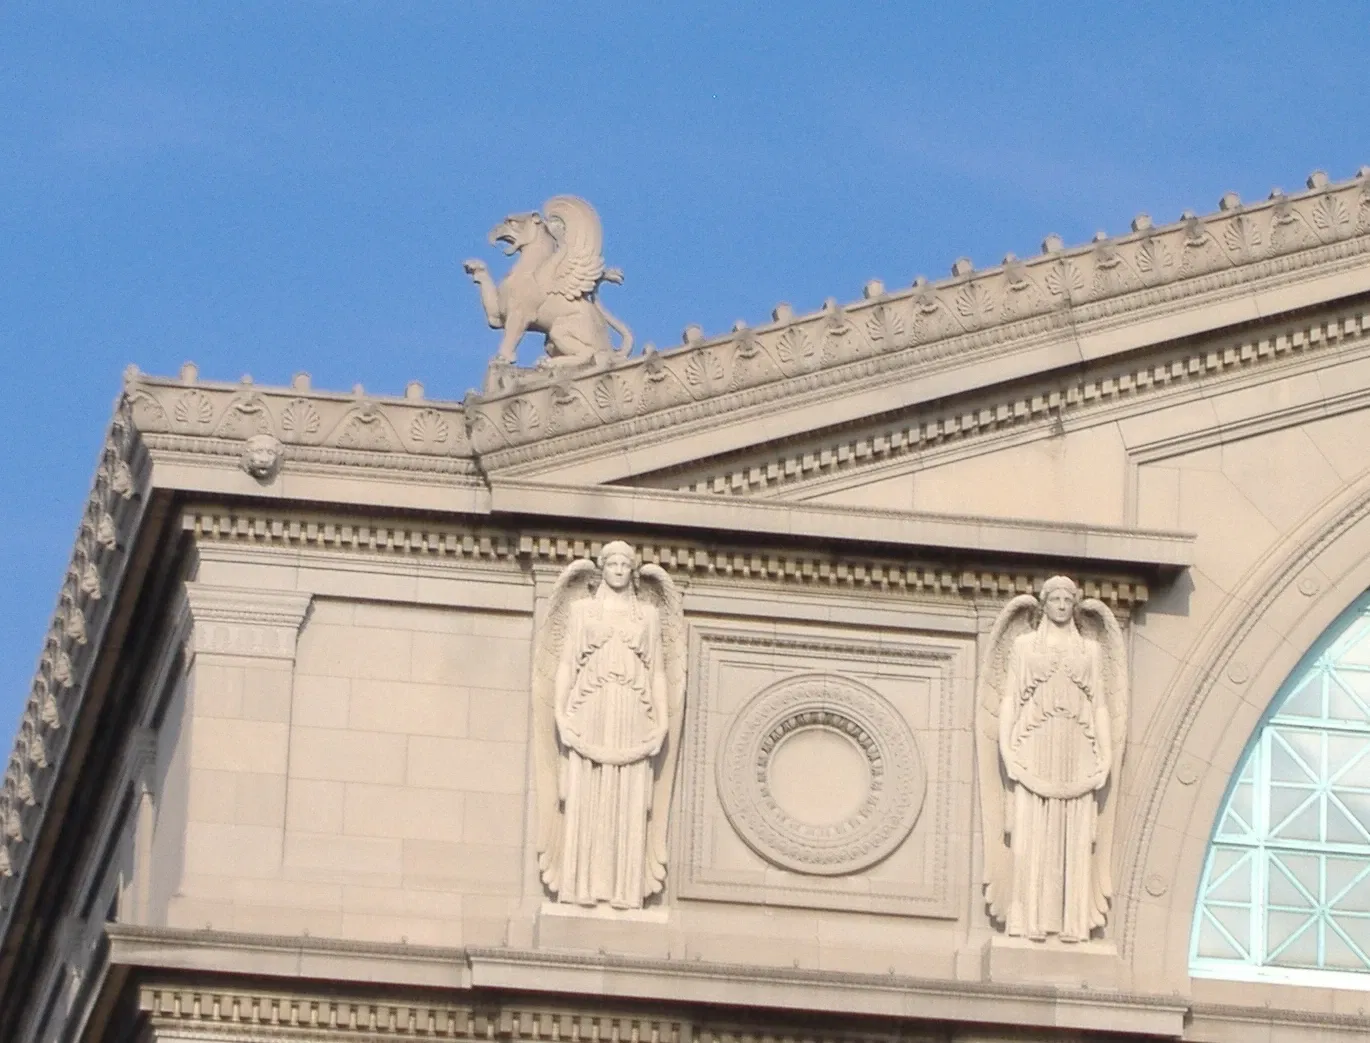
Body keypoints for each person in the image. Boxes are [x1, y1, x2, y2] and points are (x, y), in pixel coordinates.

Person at [553, 541, 669, 908]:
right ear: (601, 568)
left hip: (634, 709)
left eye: (625, 564)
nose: (618, 569)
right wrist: (559, 712)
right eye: (612, 563)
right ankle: (579, 886)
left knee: (629, 794)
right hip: (591, 706)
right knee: (588, 791)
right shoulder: (581, 611)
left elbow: (659, 674)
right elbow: (566, 665)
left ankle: (624, 890)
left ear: (632, 569)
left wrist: (663, 722)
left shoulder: (648, 616)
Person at [998, 575, 1113, 942]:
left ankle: (1072, 923)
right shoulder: (1024, 646)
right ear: (1044, 604)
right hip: (1034, 744)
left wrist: (1106, 756)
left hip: (1077, 748)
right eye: (1055, 599)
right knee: (1031, 833)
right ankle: (1026, 919)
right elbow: (1010, 699)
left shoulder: (1090, 651)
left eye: (1068, 600)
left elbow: (1100, 707)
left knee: (1075, 836)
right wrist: (1005, 748)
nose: (1062, 605)